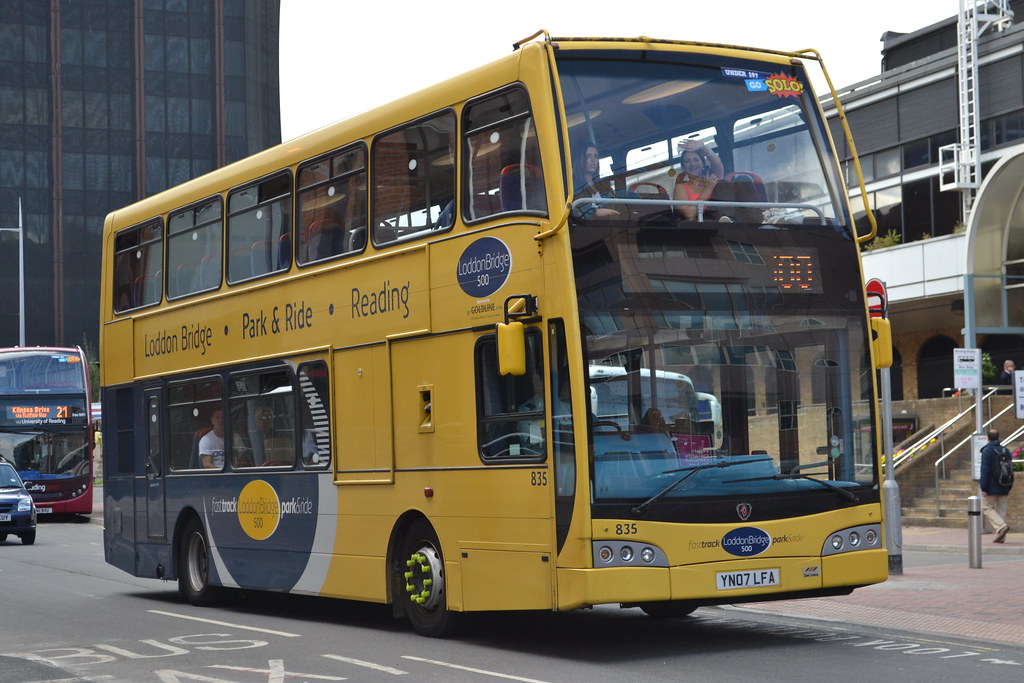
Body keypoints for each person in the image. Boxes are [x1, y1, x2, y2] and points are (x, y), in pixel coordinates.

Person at [673, 139, 724, 220]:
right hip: (697, 227)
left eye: (696, 160)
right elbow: (689, 215)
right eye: (687, 161)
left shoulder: (712, 178)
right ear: (683, 167)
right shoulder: (680, 188)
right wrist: (708, 189)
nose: (692, 164)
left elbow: (718, 164)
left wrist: (703, 147)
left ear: (703, 163)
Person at [979, 428, 1013, 542]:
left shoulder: (987, 451)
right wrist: (1009, 486)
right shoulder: (1005, 450)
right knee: (1002, 511)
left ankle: (1001, 527)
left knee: (986, 507)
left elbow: (985, 470)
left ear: (987, 438)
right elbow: (1010, 469)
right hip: (1005, 484)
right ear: (998, 437)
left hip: (991, 486)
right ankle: (1001, 537)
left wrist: (983, 487)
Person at [572, 143, 620, 219]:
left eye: (595, 156)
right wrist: (596, 212)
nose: (593, 160)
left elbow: (617, 204)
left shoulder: (604, 184)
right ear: (579, 159)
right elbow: (575, 211)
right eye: (588, 156)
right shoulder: (574, 186)